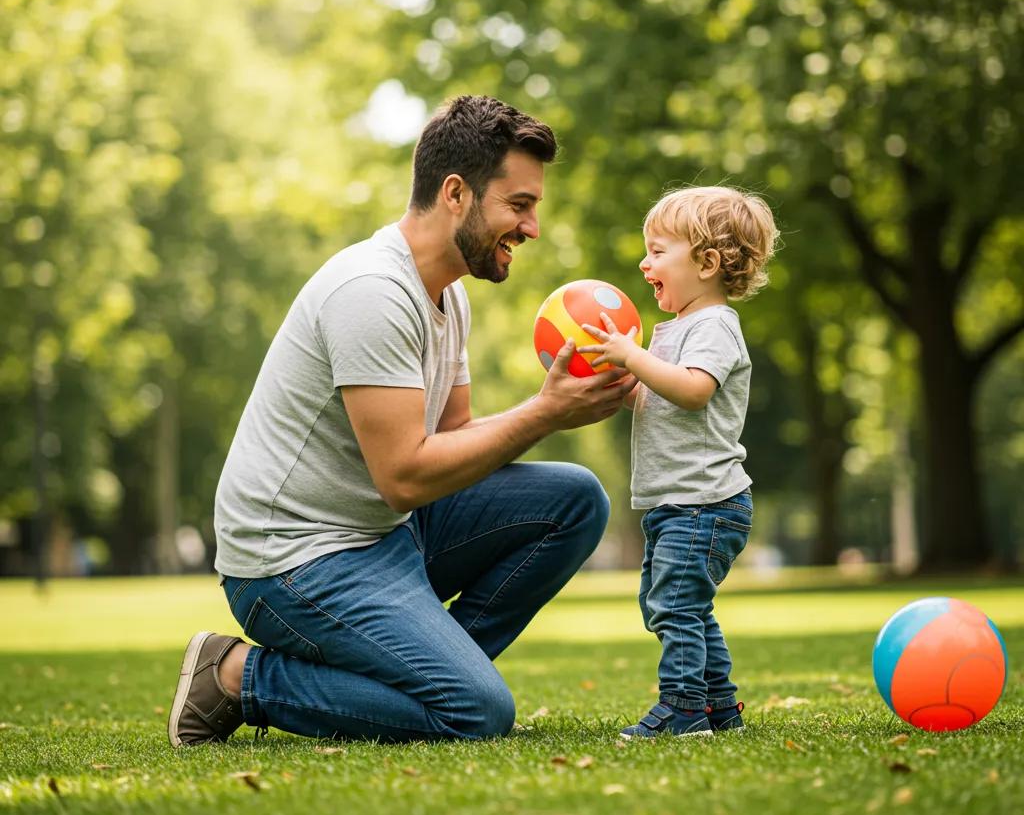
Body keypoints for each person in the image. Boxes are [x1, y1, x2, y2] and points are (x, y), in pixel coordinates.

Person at [168, 95, 635, 747]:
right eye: (519, 205)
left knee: (575, 500)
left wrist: (557, 408)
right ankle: (237, 676)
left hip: (384, 537)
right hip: (295, 562)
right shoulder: (372, 292)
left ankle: (427, 676)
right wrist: (544, 414)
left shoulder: (449, 294)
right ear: (455, 193)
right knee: (477, 713)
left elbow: (451, 447)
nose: (532, 227)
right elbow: (406, 478)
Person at [578, 185, 779, 738]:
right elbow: (671, 399)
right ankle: (720, 707)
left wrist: (635, 358)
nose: (645, 263)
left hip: (705, 503)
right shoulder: (677, 330)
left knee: (674, 604)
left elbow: (693, 392)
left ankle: (684, 708)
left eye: (659, 251)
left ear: (708, 262)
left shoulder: (715, 326)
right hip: (678, 503)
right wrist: (631, 388)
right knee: (675, 603)